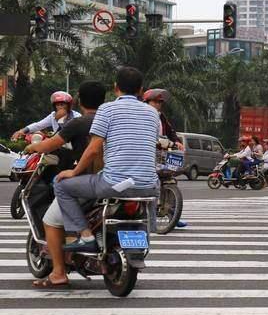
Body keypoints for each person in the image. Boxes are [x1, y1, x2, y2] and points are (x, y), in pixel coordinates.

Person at [53, 67, 161, 253]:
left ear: (115, 87)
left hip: (113, 183)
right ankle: (149, 229)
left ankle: (85, 236)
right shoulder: (152, 113)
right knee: (152, 184)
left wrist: (74, 172)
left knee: (61, 185)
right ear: (141, 90)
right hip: (149, 186)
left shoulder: (107, 109)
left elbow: (94, 149)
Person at [30, 81, 106, 288]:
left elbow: (51, 144)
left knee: (51, 220)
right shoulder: (110, 119)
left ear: (79, 100)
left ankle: (58, 272)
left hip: (90, 183)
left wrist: (32, 146)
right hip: (117, 182)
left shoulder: (80, 122)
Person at [143, 88, 187, 228]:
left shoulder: (161, 117)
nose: (158, 104)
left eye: (160, 102)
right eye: (155, 102)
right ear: (147, 102)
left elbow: (170, 132)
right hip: (145, 154)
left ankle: (172, 213)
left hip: (160, 153)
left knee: (169, 179)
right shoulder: (142, 115)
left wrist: (177, 142)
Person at [12, 91, 81, 141]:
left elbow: (68, 133)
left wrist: (60, 120)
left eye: (62, 104)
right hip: (58, 145)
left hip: (74, 146)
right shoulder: (53, 116)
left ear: (68, 106)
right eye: (57, 105)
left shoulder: (77, 116)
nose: (60, 107)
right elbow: (38, 125)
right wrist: (22, 131)